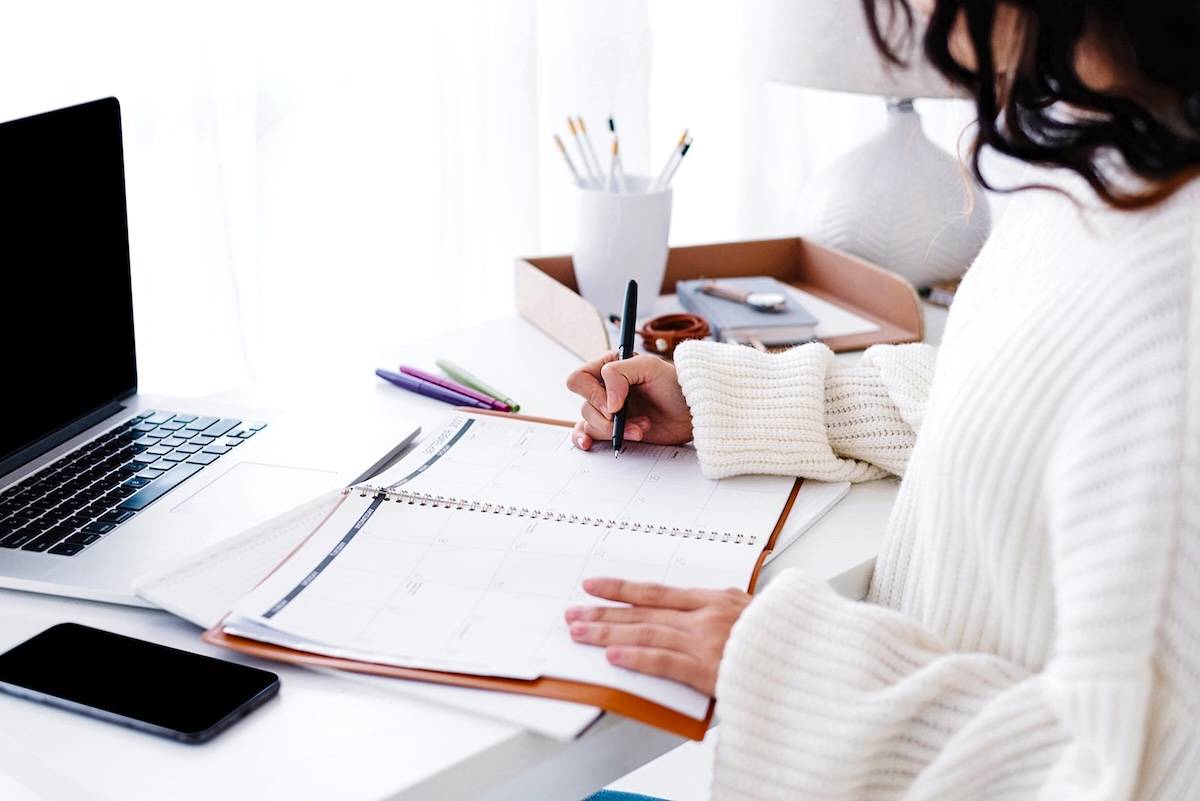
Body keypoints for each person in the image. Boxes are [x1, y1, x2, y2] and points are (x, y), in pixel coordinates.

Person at [565, 1, 1200, 798]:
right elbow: (1002, 412)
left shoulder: (1173, 293)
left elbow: (1136, 775)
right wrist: (720, 397)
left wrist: (796, 672)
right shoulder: (1099, 161)